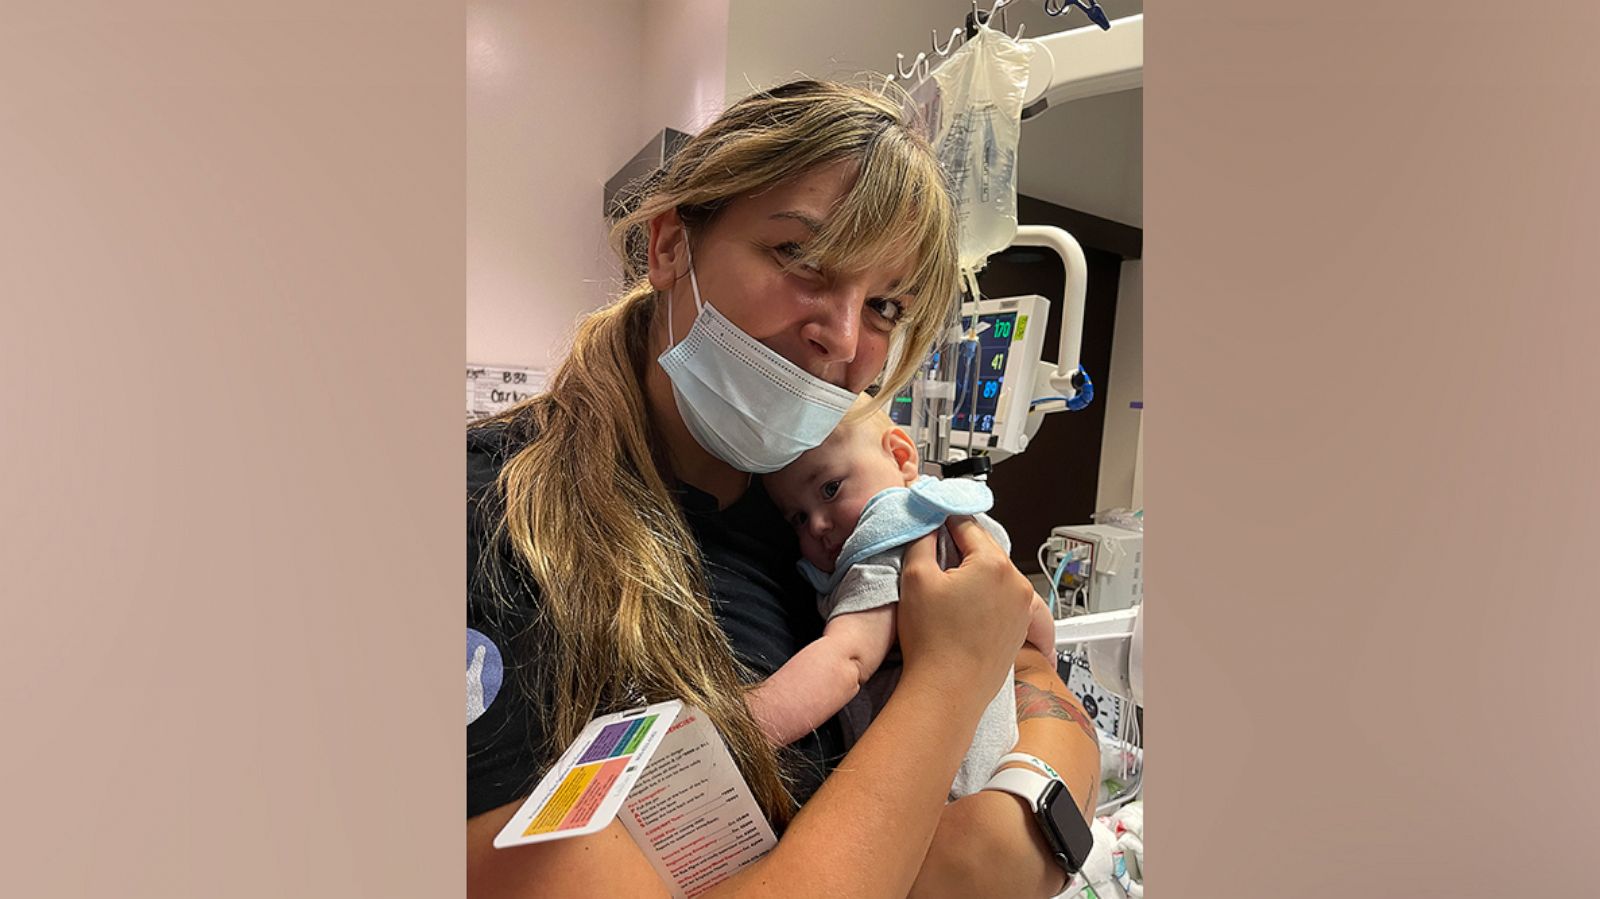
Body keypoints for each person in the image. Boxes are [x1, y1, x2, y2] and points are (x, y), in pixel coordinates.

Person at [467, 79, 1103, 898]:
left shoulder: (823, 511)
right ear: (668, 247)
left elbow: (1031, 671)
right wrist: (949, 699)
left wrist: (1017, 824)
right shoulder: (497, 522)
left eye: (884, 304)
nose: (840, 335)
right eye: (801, 257)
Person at [754, 400, 1060, 803]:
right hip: (993, 762)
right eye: (798, 518)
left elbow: (846, 660)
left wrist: (744, 726)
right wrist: (1046, 660)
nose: (818, 525)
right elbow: (1029, 607)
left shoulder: (884, 547)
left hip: (930, 790)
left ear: (900, 456)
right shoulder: (957, 520)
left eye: (830, 489)